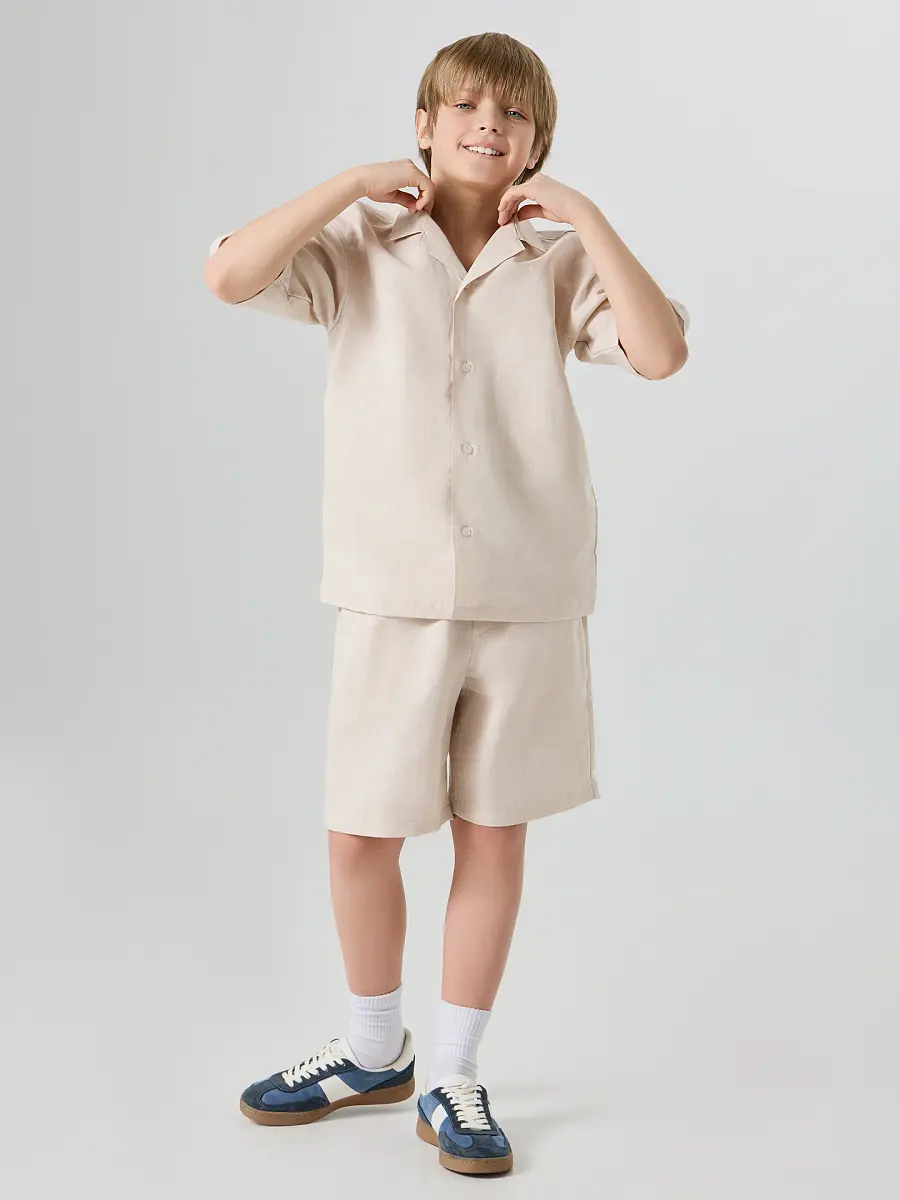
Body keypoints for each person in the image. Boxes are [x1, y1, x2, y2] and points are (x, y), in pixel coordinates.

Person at [204, 31, 689, 1177]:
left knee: (493, 831)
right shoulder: (361, 245)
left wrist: (586, 215)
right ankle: (375, 1049)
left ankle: (456, 1074)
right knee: (360, 833)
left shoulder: (557, 263)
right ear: (424, 124)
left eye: (513, 114)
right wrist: (349, 183)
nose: (488, 125)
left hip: (528, 593)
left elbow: (662, 353)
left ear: (537, 142)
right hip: (391, 590)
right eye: (465, 105)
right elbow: (228, 274)